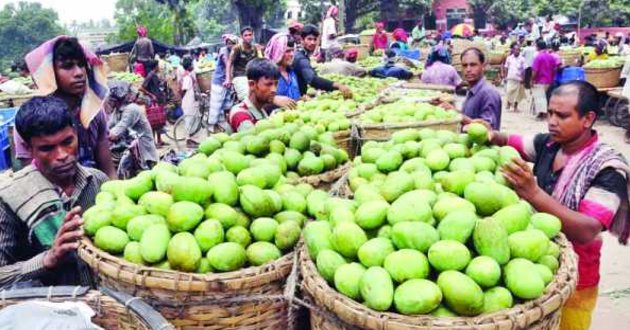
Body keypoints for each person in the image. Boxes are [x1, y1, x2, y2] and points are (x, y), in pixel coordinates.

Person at [479, 81, 630, 330]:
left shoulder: (608, 168)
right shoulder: (548, 144)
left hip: (577, 276)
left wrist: (534, 193)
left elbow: (587, 229)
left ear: (587, 119)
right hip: (533, 261)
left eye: (562, 115)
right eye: (549, 113)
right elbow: (507, 139)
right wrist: (488, 132)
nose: (551, 121)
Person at [0, 96, 109, 288]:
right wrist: (47, 259)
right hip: (48, 310)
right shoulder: (9, 198)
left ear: (76, 134)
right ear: (28, 149)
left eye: (68, 141)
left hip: (105, 304)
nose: (62, 155)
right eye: (47, 148)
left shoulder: (98, 182)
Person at [15, 36, 115, 178]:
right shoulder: (31, 119)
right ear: (49, 73)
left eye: (81, 65)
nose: (79, 73)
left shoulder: (94, 112)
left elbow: (108, 169)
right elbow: (30, 179)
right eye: (67, 66)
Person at [105, 82, 158, 176]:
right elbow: (108, 126)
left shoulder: (131, 109)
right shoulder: (118, 110)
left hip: (143, 155)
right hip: (130, 151)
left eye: (111, 99)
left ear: (117, 99)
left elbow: (114, 134)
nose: (109, 101)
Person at [292, 24, 352, 98]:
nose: (313, 43)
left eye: (314, 39)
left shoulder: (302, 54)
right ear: (302, 40)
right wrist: (338, 85)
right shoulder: (301, 58)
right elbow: (312, 79)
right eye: (309, 39)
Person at [228, 59, 279, 132]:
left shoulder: (260, 109)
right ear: (252, 85)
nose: (274, 90)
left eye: (276, 84)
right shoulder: (240, 116)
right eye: (268, 84)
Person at [458, 48, 502, 129]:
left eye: (473, 65)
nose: (468, 69)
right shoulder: (472, 90)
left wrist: (458, 116)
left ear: (483, 66)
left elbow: (488, 129)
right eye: (465, 65)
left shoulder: (488, 93)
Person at [209, 34, 238, 133]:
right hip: (219, 81)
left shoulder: (235, 51)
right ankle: (212, 128)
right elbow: (227, 64)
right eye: (229, 43)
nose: (230, 45)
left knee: (227, 106)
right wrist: (229, 79)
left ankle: (225, 127)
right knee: (216, 106)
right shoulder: (224, 51)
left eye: (233, 43)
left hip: (228, 84)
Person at [225, 26, 262, 102]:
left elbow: (261, 61)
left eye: (250, 35)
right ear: (241, 36)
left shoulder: (255, 48)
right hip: (240, 76)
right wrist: (228, 78)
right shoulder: (237, 48)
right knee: (246, 98)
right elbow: (229, 63)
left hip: (252, 76)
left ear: (252, 35)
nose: (248, 37)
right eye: (246, 35)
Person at [264, 33, 301, 107]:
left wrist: (301, 99)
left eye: (292, 50)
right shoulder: (266, 74)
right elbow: (257, 99)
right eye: (287, 51)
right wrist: (274, 99)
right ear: (277, 51)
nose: (291, 54)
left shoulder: (292, 73)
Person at [139, 59, 167, 146]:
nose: (159, 67)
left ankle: (159, 140)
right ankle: (154, 142)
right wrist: (151, 95)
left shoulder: (155, 75)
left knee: (159, 122)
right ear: (155, 66)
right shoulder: (150, 75)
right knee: (153, 122)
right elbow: (141, 88)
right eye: (158, 66)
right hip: (153, 102)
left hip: (158, 101)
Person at [532, 39, 558, 120]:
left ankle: (542, 114)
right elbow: (555, 69)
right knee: (546, 97)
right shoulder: (551, 56)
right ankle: (546, 113)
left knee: (540, 98)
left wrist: (532, 80)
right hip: (549, 80)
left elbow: (535, 71)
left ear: (538, 47)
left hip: (540, 80)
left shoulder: (538, 57)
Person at [179, 56, 201, 145]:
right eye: (191, 64)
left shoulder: (190, 75)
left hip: (191, 100)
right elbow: (184, 89)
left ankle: (190, 138)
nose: (193, 65)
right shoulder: (187, 77)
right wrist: (182, 98)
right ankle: (188, 139)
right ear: (189, 66)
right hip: (188, 101)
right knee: (189, 120)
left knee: (192, 119)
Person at [503, 43, 526, 112]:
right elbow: (506, 67)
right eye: (515, 49)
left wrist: (523, 78)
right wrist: (505, 76)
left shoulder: (522, 59)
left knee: (517, 94)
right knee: (509, 91)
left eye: (518, 50)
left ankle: (515, 107)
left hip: (518, 79)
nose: (517, 51)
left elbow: (524, 69)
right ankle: (509, 103)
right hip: (510, 77)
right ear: (513, 50)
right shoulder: (509, 58)